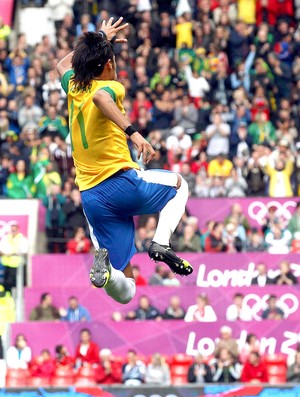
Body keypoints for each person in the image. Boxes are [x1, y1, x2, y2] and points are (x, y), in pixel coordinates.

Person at [57, 17, 193, 305]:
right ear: (107, 65)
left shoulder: (74, 86)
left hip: (92, 199)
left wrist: (99, 38)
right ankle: (161, 242)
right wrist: (135, 135)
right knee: (180, 186)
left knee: (126, 290)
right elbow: (101, 101)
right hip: (121, 183)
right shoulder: (110, 87)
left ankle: (106, 273)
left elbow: (61, 65)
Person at [0, 221, 28, 293]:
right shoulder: (6, 238)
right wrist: (4, 253)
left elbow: (24, 250)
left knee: (15, 284)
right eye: (12, 230)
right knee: (6, 284)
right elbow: (1, 249)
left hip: (17, 265)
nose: (13, 232)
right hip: (6, 264)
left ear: (18, 230)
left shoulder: (22, 239)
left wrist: (12, 253)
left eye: (14, 230)